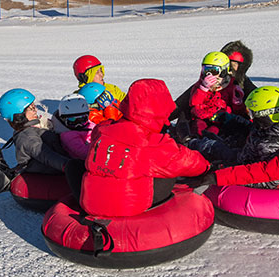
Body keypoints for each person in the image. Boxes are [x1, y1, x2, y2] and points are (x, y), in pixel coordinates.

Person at [78, 79, 210, 217]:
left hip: (89, 204)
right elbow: (187, 162)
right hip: (128, 208)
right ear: (160, 107)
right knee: (168, 170)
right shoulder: (152, 143)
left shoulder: (103, 128)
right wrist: (207, 166)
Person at [187, 86, 279, 188]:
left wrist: (224, 173)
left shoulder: (274, 145)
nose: (250, 116)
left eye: (253, 113)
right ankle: (191, 143)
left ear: (268, 114)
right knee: (214, 145)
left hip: (245, 172)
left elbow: (268, 180)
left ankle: (190, 143)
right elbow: (252, 128)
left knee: (215, 150)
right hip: (244, 157)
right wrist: (231, 119)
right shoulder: (269, 127)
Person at [169, 40, 257, 123]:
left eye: (232, 65)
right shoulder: (205, 83)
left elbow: (260, 101)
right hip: (205, 121)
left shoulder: (242, 84)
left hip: (230, 124)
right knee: (187, 112)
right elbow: (180, 105)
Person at [0, 88, 76, 175]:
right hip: (47, 177)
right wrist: (68, 165)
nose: (36, 110)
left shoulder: (32, 128)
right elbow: (44, 154)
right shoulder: (27, 136)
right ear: (19, 116)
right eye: (32, 108)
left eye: (34, 106)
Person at [189, 52, 247, 137]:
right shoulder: (200, 85)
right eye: (206, 70)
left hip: (221, 120)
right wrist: (203, 89)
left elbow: (238, 111)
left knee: (214, 131)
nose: (209, 74)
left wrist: (237, 101)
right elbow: (193, 103)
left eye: (214, 71)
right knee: (198, 127)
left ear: (223, 71)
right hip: (203, 117)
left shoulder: (231, 86)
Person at [53, 93, 96, 161]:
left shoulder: (89, 125)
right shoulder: (68, 135)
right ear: (63, 119)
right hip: (85, 162)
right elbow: (84, 153)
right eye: (72, 120)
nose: (78, 124)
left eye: (82, 119)